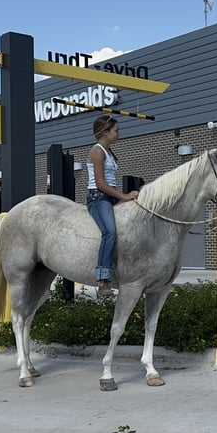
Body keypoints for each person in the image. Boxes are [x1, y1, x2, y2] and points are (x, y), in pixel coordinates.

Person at [86, 115, 138, 298]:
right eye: (116, 130)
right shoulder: (97, 151)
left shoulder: (108, 151)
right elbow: (100, 183)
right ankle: (103, 280)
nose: (119, 134)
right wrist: (124, 195)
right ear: (105, 132)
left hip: (110, 197)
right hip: (99, 198)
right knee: (109, 231)